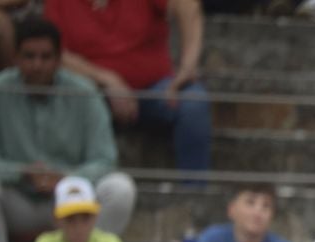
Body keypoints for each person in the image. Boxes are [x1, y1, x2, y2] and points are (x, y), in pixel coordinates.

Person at [0, 18, 134, 242]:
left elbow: (105, 158)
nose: (37, 65)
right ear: (15, 57)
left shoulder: (84, 92)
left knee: (121, 189)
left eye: (45, 57)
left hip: (73, 205)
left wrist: (67, 179)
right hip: (19, 200)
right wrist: (21, 172)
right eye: (29, 56)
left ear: (59, 59)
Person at [43, 0, 211, 177]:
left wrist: (188, 65)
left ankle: (194, 194)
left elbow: (187, 4)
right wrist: (107, 80)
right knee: (64, 102)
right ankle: (70, 187)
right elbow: (54, 52)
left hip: (155, 88)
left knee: (193, 102)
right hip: (89, 92)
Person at [32, 174, 134, 242]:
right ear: (57, 221)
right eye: (70, 218)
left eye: (86, 217)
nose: (78, 227)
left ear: (95, 217)